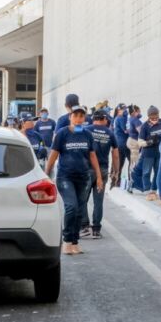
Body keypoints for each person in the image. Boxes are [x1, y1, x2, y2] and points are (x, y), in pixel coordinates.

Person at [44, 105, 104, 255]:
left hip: (83, 178)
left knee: (79, 211)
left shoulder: (87, 135)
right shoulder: (62, 134)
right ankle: (66, 240)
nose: (78, 119)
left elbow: (92, 156)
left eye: (81, 116)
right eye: (75, 116)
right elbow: (53, 155)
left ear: (84, 118)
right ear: (70, 117)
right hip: (65, 177)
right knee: (71, 207)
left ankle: (75, 241)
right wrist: (46, 174)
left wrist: (99, 177)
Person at [79, 109, 119, 239]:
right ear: (103, 119)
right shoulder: (110, 133)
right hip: (102, 170)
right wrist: (116, 172)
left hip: (86, 169)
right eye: (106, 118)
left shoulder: (86, 130)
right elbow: (116, 154)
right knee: (98, 200)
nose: (107, 121)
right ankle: (96, 229)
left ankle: (84, 226)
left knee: (82, 199)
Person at [138, 105, 161, 201]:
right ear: (148, 116)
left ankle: (154, 190)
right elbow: (139, 142)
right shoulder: (145, 126)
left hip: (159, 153)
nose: (155, 117)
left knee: (158, 171)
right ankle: (147, 191)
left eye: (156, 115)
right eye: (152, 116)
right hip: (148, 153)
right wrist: (149, 142)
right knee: (146, 172)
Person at [126, 105, 143, 193]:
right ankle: (131, 184)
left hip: (131, 141)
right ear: (134, 112)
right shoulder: (136, 120)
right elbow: (141, 132)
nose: (140, 113)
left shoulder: (130, 119)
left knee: (133, 163)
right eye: (139, 111)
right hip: (134, 143)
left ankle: (131, 182)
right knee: (135, 165)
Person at [112, 103, 130, 188]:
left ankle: (116, 181)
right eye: (124, 109)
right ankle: (130, 181)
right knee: (131, 162)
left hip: (118, 143)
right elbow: (125, 130)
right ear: (119, 110)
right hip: (123, 143)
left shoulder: (116, 118)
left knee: (119, 163)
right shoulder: (121, 118)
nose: (126, 110)